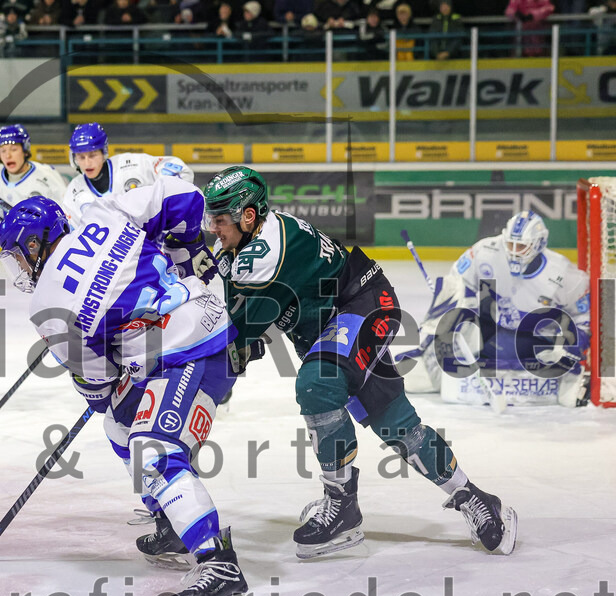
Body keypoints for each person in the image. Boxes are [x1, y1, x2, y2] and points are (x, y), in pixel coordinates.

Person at [202, 166, 518, 559]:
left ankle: (342, 506)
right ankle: (474, 496)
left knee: (318, 382)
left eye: (218, 219)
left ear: (248, 216)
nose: (212, 227)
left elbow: (236, 333)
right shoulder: (241, 246)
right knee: (396, 424)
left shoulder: (262, 254)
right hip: (332, 326)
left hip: (362, 306)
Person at [0, 177, 246, 596]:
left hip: (191, 347)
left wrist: (109, 359)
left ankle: (218, 564)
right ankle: (171, 520)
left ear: (34, 246)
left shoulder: (47, 306)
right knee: (118, 426)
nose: (17, 266)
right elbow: (184, 196)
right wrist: (186, 253)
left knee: (151, 449)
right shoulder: (104, 213)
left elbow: (98, 386)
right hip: (199, 327)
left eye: (17, 254)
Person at [396, 211, 591, 408]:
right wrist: (442, 318)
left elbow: (583, 316)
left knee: (564, 383)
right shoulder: (485, 251)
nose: (513, 252)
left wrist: (569, 347)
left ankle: (556, 380)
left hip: (538, 342)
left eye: (521, 247)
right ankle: (433, 365)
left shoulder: (564, 274)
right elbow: (456, 282)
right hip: (495, 332)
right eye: (510, 244)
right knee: (448, 339)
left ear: (538, 244)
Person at [62, 122, 193, 223]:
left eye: (92, 155)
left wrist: (163, 204)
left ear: (104, 152)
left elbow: (180, 170)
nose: (87, 163)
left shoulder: (132, 164)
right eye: (81, 157)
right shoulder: (74, 190)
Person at [0, 124, 68, 250]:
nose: (8, 155)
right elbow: (1, 207)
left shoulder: (47, 176)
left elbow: (66, 214)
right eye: (3, 150)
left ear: (25, 150)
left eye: (13, 149)